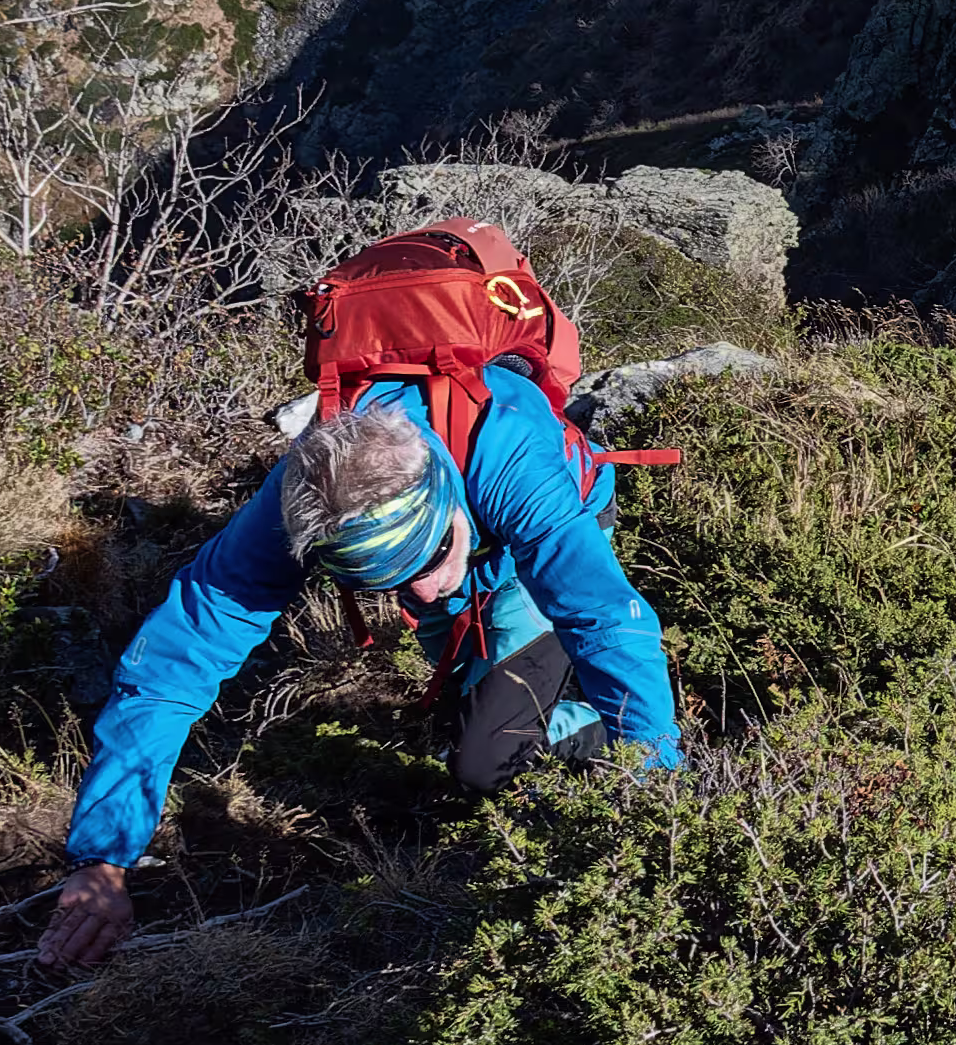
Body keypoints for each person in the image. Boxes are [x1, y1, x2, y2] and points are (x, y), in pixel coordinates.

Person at [38, 366, 679, 972]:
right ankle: (521, 676)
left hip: (531, 538)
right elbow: (171, 667)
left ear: (446, 499)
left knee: (485, 760)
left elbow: (604, 619)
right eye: (397, 584)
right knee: (471, 705)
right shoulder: (291, 503)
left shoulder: (511, 462)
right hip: (470, 533)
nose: (423, 596)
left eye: (429, 563)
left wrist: (655, 789)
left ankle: (601, 718)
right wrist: (104, 854)